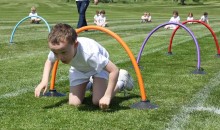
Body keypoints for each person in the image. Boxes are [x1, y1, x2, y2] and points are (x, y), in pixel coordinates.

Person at [35, 23, 134, 110]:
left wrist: (107, 96)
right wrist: (44, 80)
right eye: (55, 53)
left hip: (98, 68)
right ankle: (92, 84)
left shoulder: (91, 54)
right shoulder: (58, 49)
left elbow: (114, 70)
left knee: (98, 101)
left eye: (64, 52)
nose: (59, 57)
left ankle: (122, 81)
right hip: (79, 69)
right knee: (74, 103)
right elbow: (49, 61)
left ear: (75, 45)